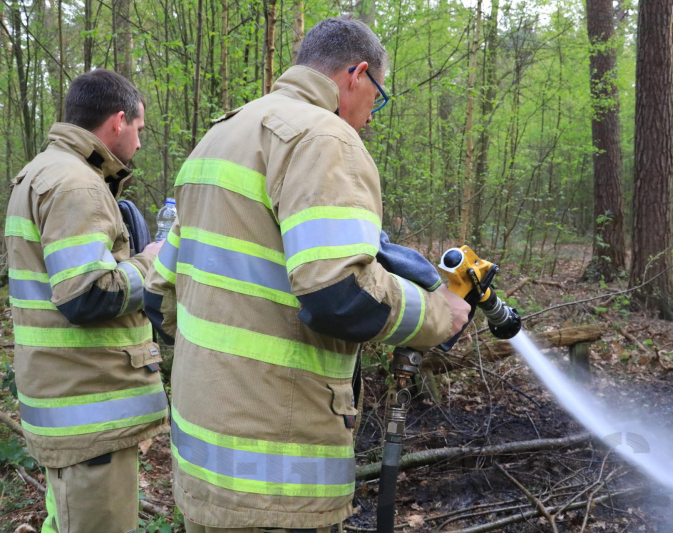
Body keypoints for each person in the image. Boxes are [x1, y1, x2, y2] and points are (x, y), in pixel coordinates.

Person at [143, 17, 471, 533]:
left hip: (202, 467)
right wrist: (437, 315)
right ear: (356, 75)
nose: (369, 117)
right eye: (377, 97)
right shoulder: (325, 139)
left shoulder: (218, 138)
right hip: (278, 482)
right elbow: (338, 295)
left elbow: (159, 295)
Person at [4, 69, 168, 533]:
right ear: (118, 121)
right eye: (139, 129)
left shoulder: (40, 171)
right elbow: (86, 294)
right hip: (89, 413)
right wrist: (148, 263)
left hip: (67, 403)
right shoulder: (77, 185)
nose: (139, 142)